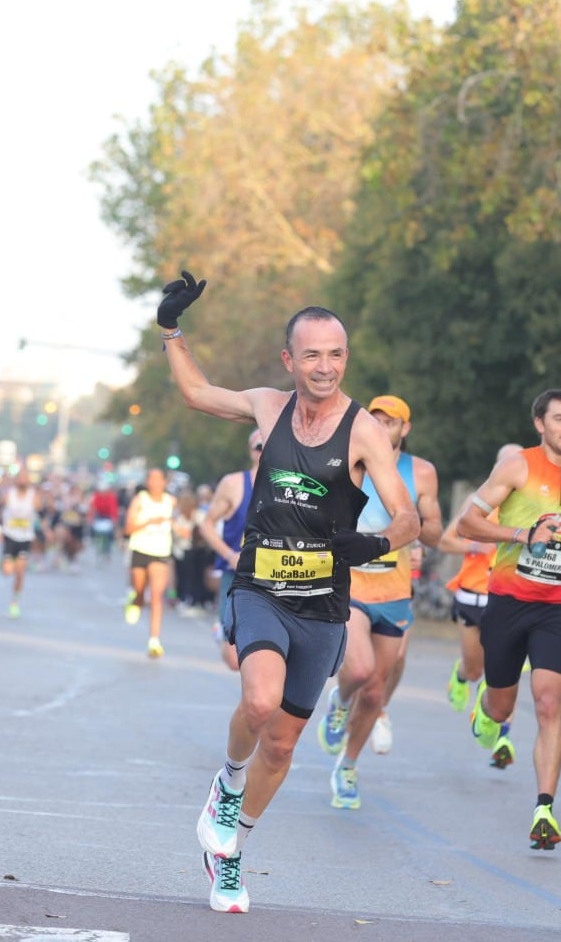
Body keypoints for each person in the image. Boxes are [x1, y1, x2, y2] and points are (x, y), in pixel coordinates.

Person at [158, 271, 417, 915]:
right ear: (289, 359)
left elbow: (410, 519)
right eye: (311, 354)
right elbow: (195, 392)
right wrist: (171, 328)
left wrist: (375, 544)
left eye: (334, 354)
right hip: (260, 588)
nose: (323, 366)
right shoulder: (267, 406)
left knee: (283, 742)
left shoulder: (364, 431)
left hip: (324, 606)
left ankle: (232, 851)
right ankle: (228, 779)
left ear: (345, 358)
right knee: (260, 699)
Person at [457, 389, 561, 851]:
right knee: (503, 706)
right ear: (540, 424)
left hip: (555, 607)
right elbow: (467, 523)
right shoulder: (516, 465)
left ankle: (544, 807)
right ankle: (487, 707)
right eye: (559, 419)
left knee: (548, 703)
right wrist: (522, 534)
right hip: (507, 601)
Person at [317, 394, 442, 810]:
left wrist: (416, 530)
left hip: (395, 592)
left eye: (391, 423)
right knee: (360, 669)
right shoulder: (352, 462)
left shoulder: (421, 473)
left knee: (375, 692)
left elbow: (435, 530)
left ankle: (347, 766)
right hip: (352, 587)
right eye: (376, 420)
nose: (382, 428)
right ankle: (338, 700)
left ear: (404, 429)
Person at [437, 443, 523, 734]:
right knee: (476, 668)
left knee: (503, 669)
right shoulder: (480, 503)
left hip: (510, 596)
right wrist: (476, 544)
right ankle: (461, 676)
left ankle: (500, 736)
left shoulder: (530, 506)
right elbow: (446, 541)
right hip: (473, 594)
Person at [199, 430, 264, 671]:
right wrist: (229, 555)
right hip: (237, 575)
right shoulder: (234, 483)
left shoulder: (291, 486)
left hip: (274, 578)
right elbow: (206, 525)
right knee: (234, 660)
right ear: (250, 451)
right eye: (259, 447)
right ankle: (222, 631)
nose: (264, 453)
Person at [124, 467, 176, 657]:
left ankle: (154, 640)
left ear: (164, 482)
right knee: (139, 589)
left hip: (161, 551)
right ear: (147, 482)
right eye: (152, 479)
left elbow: (176, 522)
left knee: (156, 595)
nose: (155, 482)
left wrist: (181, 529)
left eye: (159, 479)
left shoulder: (171, 501)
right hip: (140, 548)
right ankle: (135, 600)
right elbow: (128, 528)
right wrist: (148, 522)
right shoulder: (140, 500)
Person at [0, 470, 42, 618]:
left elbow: (40, 511)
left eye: (25, 478)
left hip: (25, 537)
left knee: (20, 572)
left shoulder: (33, 496)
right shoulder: (8, 495)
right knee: (7, 571)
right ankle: (5, 563)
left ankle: (14, 601)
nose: (22, 481)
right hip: (10, 535)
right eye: (20, 478)